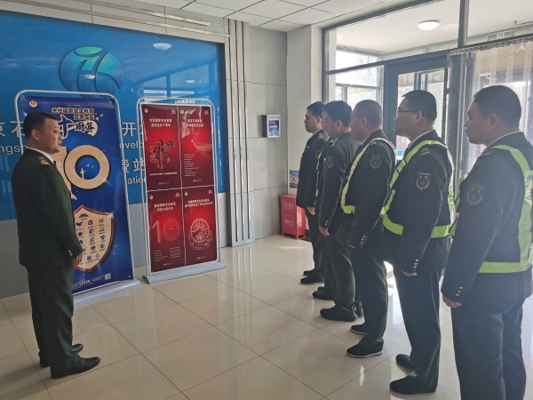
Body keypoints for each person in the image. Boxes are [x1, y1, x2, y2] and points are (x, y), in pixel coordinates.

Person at [441, 85, 532, 400]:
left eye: (471, 116)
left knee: (481, 372)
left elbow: (474, 233)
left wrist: (454, 286)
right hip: (518, 277)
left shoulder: (493, 163)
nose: (466, 123)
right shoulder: (527, 154)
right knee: (509, 358)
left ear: (493, 121)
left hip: (483, 285)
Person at [12, 111, 101, 379]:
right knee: (58, 306)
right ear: (35, 134)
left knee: (44, 307)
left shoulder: (26, 164)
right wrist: (74, 247)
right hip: (51, 255)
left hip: (37, 253)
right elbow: (57, 215)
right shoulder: (40, 168)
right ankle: (64, 361)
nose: (60, 136)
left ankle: (51, 352)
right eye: (54, 131)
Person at [381, 90, 454, 394]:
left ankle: (425, 376)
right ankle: (419, 357)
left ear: (418, 116)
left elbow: (424, 214)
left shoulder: (429, 156)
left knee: (422, 314)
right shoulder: (419, 149)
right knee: (413, 311)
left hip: (421, 255)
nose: (395, 117)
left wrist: (410, 258)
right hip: (414, 251)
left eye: (401, 112)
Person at [338, 100, 395, 358]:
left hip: (367, 228)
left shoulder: (377, 150)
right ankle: (370, 324)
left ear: (363, 121)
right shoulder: (370, 145)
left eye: (352, 119)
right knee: (365, 279)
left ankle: (375, 338)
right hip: (359, 224)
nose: (350, 124)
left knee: (372, 282)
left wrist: (359, 234)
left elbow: (372, 198)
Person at [317, 101, 360, 322]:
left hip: (337, 216)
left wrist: (324, 220)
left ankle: (345, 306)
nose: (323, 125)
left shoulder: (337, 148)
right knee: (351, 260)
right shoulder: (358, 143)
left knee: (341, 261)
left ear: (339, 123)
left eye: (326, 121)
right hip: (353, 215)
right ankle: (356, 302)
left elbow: (332, 190)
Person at [296, 102, 328, 284]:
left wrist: (313, 200)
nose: (304, 121)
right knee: (315, 238)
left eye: (308, 117)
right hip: (310, 198)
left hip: (314, 202)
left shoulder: (321, 141)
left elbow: (317, 175)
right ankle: (318, 268)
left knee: (319, 239)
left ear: (318, 119)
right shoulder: (314, 139)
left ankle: (321, 272)